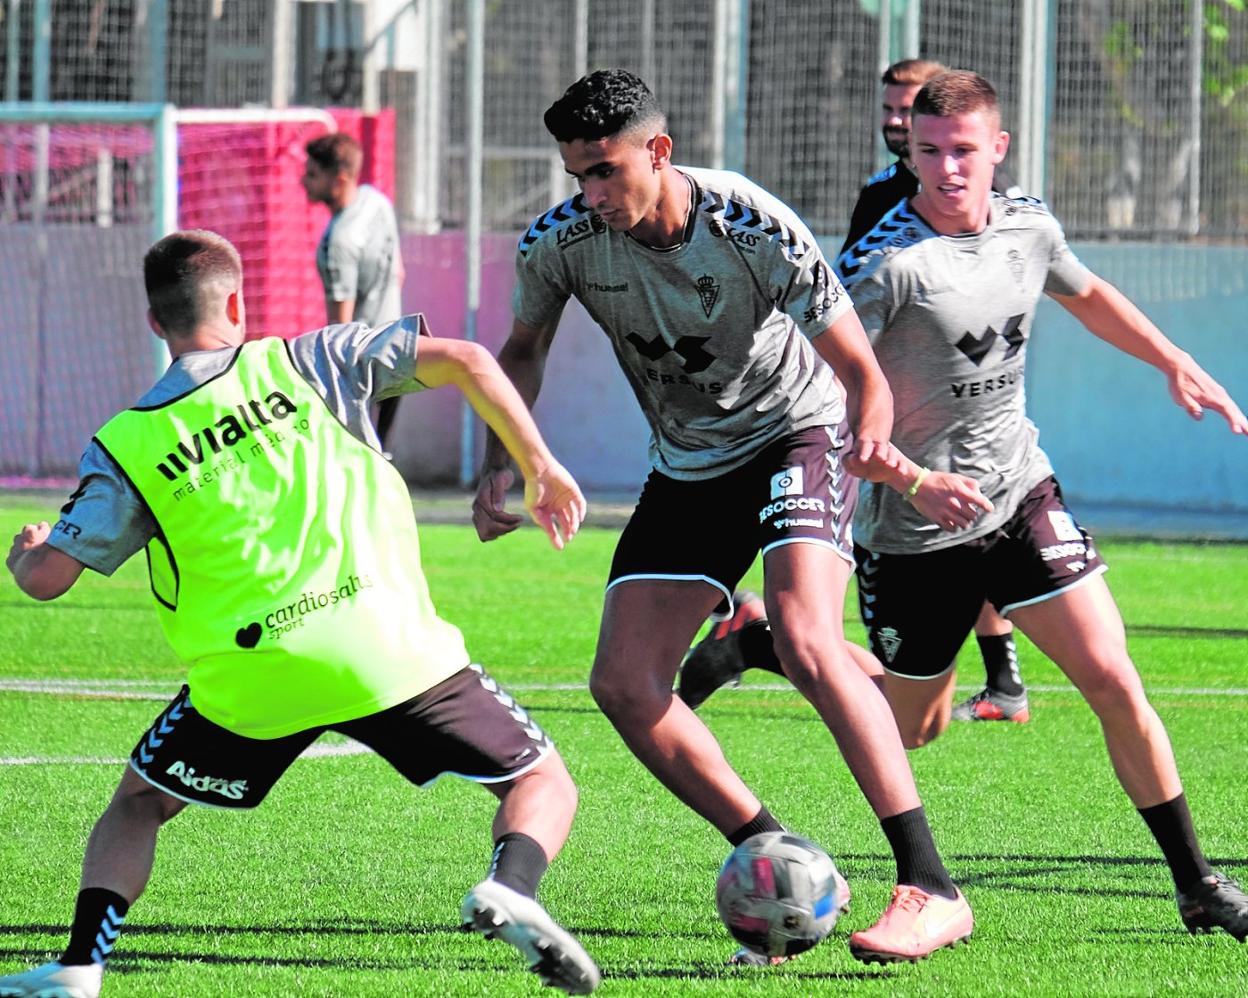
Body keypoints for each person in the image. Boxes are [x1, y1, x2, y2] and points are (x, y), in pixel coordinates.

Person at [472, 68, 993, 965]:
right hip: (689, 464)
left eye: (606, 171)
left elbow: (861, 374)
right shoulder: (560, 243)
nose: (591, 195)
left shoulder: (750, 225)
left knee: (807, 637)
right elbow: (520, 350)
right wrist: (503, 465)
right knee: (624, 684)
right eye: (577, 176)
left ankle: (931, 884)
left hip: (799, 434)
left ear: (658, 150)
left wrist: (873, 445)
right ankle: (776, 855)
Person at [0, 230, 600, 997]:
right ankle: (512, 886)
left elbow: (49, 579)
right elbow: (473, 361)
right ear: (240, 302)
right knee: (542, 781)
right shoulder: (313, 359)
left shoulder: (128, 443)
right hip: (389, 651)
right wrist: (536, 465)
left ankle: (82, 965)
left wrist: (27, 552)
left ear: (156, 324)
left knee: (141, 802)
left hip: (255, 681)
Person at [836, 71, 1248, 938]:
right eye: (926, 154)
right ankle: (771, 639)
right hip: (914, 533)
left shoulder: (1029, 225)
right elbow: (835, 425)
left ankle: (1199, 886)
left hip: (1022, 494)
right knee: (913, 731)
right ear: (907, 153)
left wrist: (1171, 358)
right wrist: (914, 480)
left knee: (1113, 676)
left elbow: (1087, 294)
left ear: (998, 148)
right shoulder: (882, 269)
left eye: (961, 151)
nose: (945, 170)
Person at [678, 58, 1029, 722]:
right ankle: (769, 638)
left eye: (908, 110)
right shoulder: (882, 198)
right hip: (887, 424)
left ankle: (1001, 680)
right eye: (891, 110)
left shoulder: (990, 192)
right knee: (906, 714)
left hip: (969, 408)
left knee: (988, 521)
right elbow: (842, 308)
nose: (895, 121)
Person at [302, 132, 406, 455]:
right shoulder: (376, 202)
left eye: (312, 175)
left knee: (353, 462)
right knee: (381, 457)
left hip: (362, 367)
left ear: (339, 180)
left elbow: (341, 330)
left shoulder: (339, 242)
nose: (303, 181)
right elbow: (399, 273)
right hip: (397, 351)